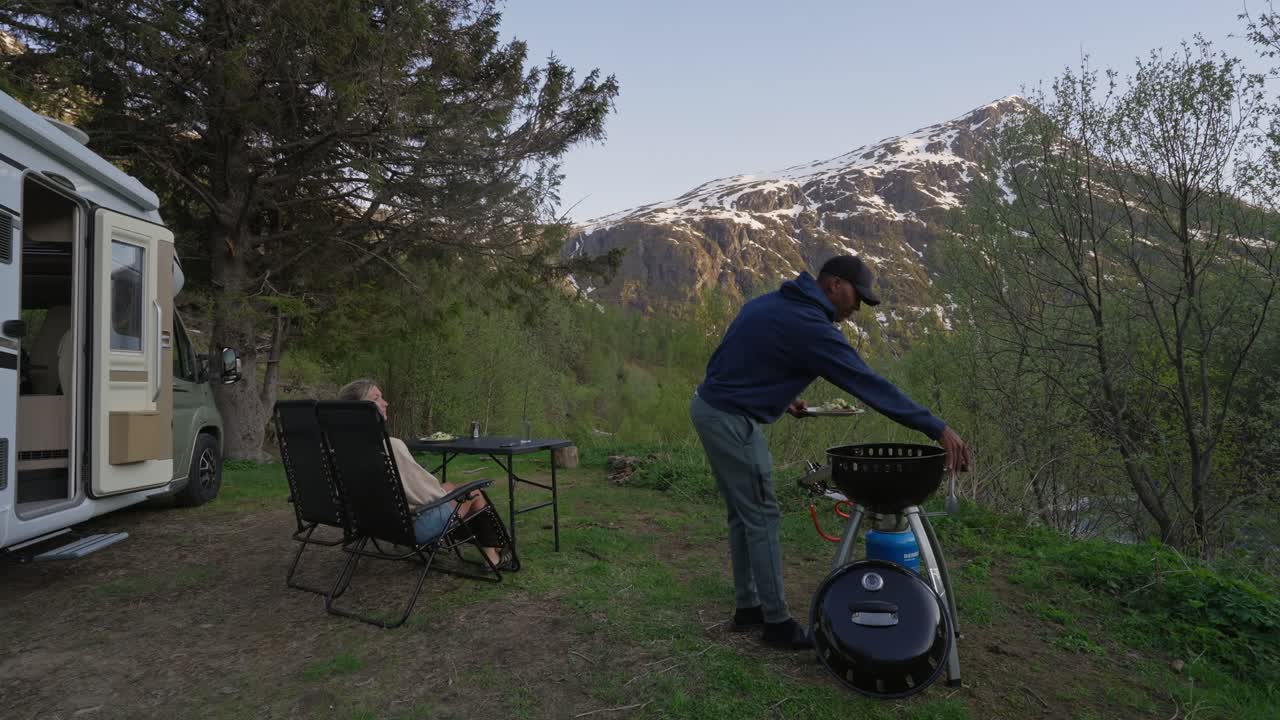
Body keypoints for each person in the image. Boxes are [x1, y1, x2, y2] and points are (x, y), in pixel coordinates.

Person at [690, 255, 970, 650]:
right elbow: (868, 383)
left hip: (711, 408)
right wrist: (936, 427)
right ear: (835, 285)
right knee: (762, 516)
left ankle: (749, 607)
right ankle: (776, 624)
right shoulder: (810, 326)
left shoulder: (773, 303)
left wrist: (777, 396)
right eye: (858, 298)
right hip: (731, 420)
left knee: (744, 514)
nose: (858, 309)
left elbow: (736, 356)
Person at [337, 379, 512, 568]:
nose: (385, 402)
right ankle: (493, 556)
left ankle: (489, 549)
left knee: (451, 488)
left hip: (372, 523)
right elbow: (427, 495)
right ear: (359, 409)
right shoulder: (389, 446)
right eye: (376, 398)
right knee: (474, 493)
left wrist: (444, 490)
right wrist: (444, 492)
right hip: (410, 528)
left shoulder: (342, 448)